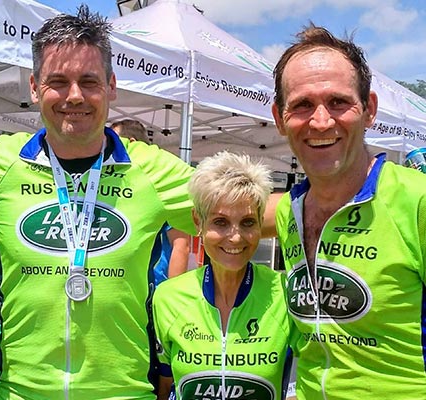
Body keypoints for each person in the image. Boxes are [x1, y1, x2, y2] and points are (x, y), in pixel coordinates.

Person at [0, 6, 280, 399]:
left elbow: (250, 209)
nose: (74, 96)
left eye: (89, 81)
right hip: (21, 393)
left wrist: (315, 208)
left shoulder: (152, 169)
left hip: (124, 393)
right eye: (58, 82)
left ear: (112, 86)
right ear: (34, 87)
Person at [271, 24, 426, 399]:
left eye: (338, 102)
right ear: (279, 118)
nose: (321, 121)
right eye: (302, 105)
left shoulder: (416, 201)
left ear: (369, 109)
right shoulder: (288, 211)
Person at [153, 151, 296, 400]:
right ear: (198, 222)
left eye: (248, 222)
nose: (235, 237)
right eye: (220, 222)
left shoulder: (284, 294)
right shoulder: (168, 298)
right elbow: (165, 387)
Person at [111, 118, 191, 284]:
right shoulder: (120, 183)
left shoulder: (161, 180)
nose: (108, 148)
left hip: (156, 285)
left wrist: (172, 293)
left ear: (132, 143)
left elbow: (181, 245)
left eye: (115, 142)